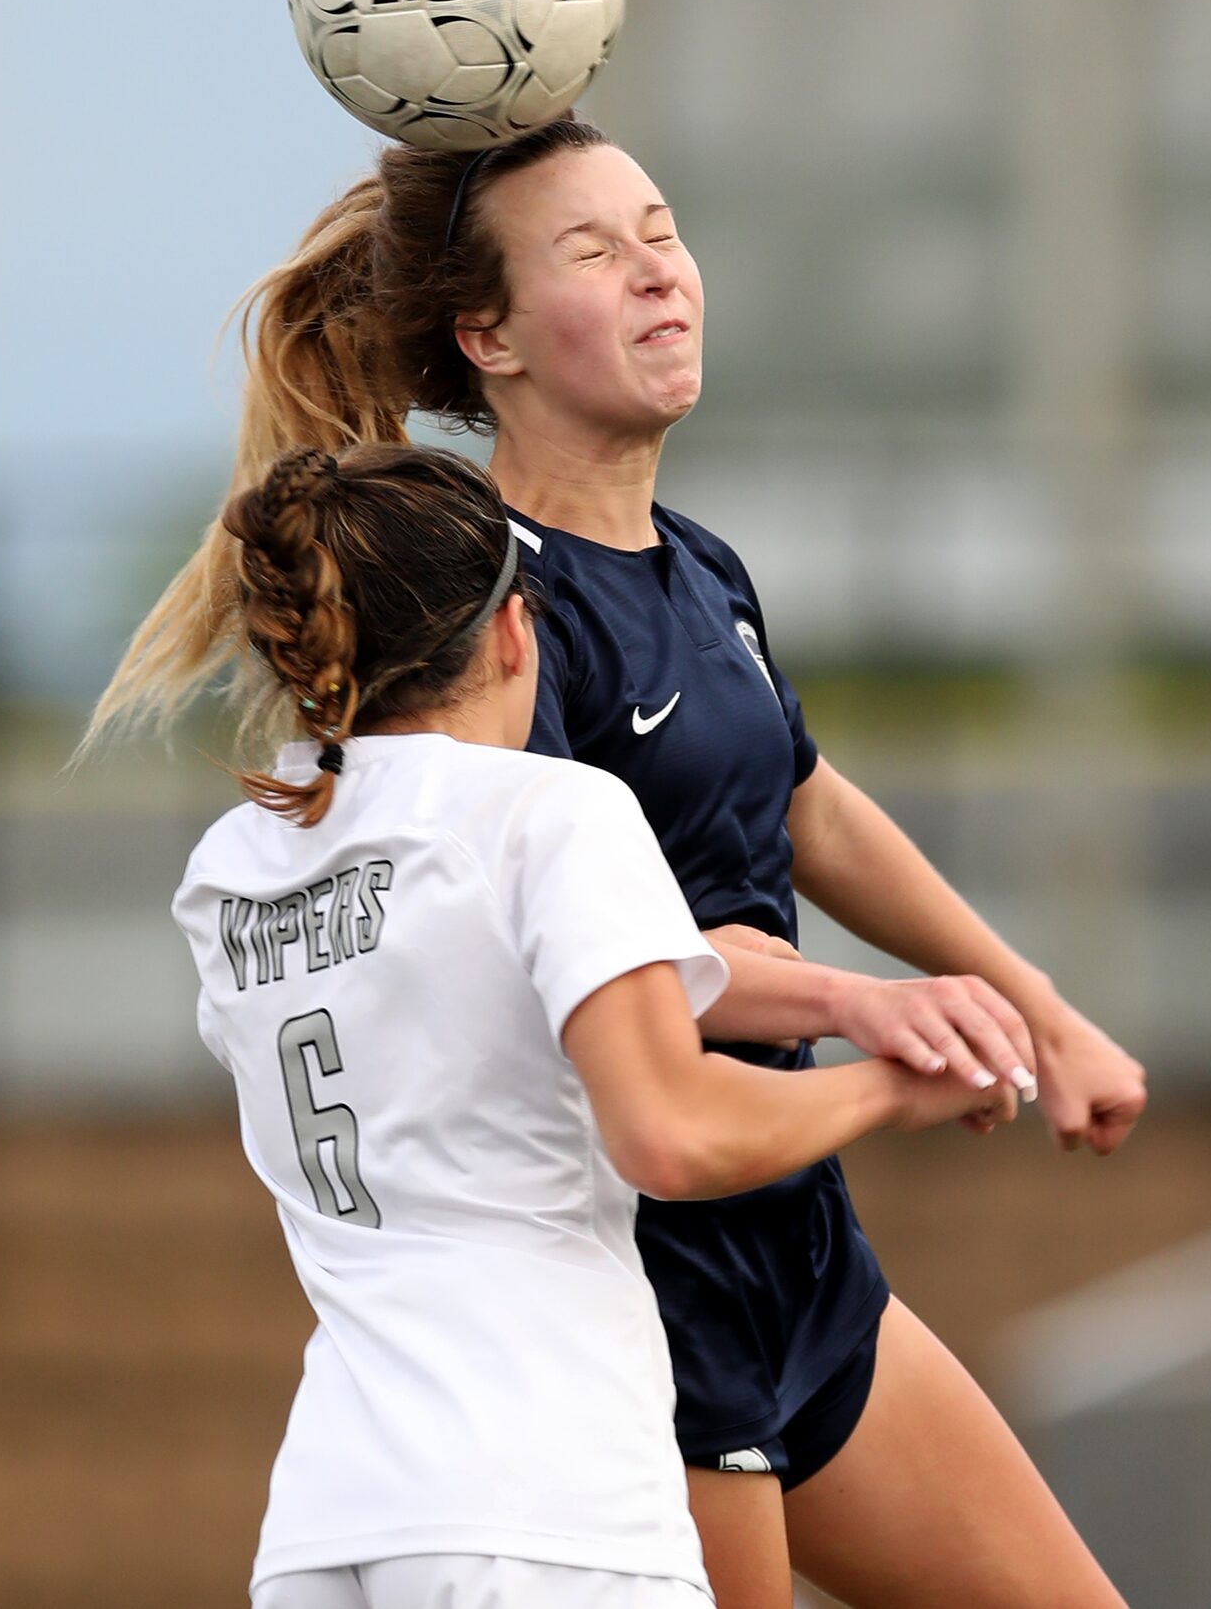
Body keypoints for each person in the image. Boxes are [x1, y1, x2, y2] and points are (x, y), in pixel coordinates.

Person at [95, 117, 1144, 1607]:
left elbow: (803, 805)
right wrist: (868, 1020)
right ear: (488, 336)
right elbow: (581, 986)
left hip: (797, 1248)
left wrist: (1029, 999)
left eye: (662, 229)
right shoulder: (485, 637)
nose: (659, 273)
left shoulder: (696, 568)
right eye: (594, 251)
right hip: (644, 1292)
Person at [172, 439, 1023, 1609]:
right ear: (515, 632)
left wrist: (843, 997)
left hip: (332, 1520)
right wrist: (889, 1085)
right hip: (543, 1504)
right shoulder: (554, 811)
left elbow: (470, 1009)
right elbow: (670, 1136)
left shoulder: (234, 868)